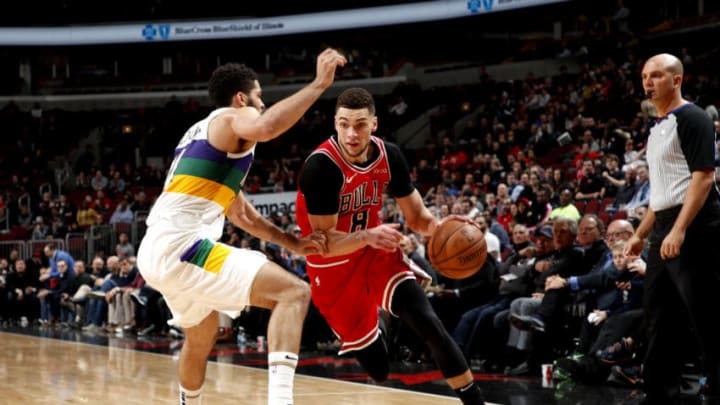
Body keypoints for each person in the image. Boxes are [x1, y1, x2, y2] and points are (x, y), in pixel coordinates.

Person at [136, 48, 346, 405]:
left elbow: (242, 215)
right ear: (240, 98)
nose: (262, 104)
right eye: (259, 96)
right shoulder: (231, 118)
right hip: (184, 247)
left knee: (201, 338)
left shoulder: (202, 137)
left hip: (159, 249)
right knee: (293, 293)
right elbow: (266, 127)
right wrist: (318, 84)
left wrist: (292, 243)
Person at [295, 87, 486, 404]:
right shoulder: (321, 167)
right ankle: (375, 326)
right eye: (343, 124)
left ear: (374, 124)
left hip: (376, 251)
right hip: (331, 267)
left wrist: (442, 227)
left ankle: (474, 401)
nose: (351, 133)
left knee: (428, 323)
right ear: (335, 124)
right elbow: (324, 242)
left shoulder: (390, 155)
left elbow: (417, 217)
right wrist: (367, 236)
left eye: (359, 124)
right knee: (379, 369)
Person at [624, 53, 720, 404]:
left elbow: (704, 177)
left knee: (707, 315)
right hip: (666, 223)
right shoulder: (656, 129)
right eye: (645, 76)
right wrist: (640, 234)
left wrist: (680, 229)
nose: (648, 82)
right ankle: (661, 395)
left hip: (695, 225)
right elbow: (661, 193)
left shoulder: (692, 117)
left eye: (657, 75)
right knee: (659, 316)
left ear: (677, 80)